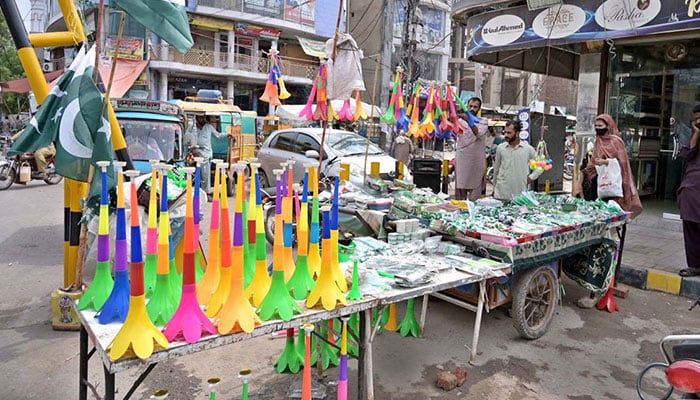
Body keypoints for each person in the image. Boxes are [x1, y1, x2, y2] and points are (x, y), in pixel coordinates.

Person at [584, 114, 643, 218]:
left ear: (608, 126)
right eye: (596, 126)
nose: (598, 128)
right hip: (598, 179)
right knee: (596, 210)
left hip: (613, 181)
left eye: (600, 126)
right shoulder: (598, 140)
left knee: (611, 212)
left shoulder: (616, 141)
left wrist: (606, 162)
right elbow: (593, 160)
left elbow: (622, 163)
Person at [678, 105, 700, 277]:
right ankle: (695, 265)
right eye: (696, 119)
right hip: (691, 188)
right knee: (691, 226)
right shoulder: (695, 136)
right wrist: (697, 133)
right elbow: (686, 154)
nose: (698, 121)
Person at [184, 115, 228, 197]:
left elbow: (218, 135)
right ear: (197, 118)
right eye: (201, 118)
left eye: (204, 118)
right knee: (190, 173)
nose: (203, 119)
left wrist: (228, 134)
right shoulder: (191, 127)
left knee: (205, 175)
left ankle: (206, 192)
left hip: (206, 154)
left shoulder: (209, 127)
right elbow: (186, 138)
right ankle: (190, 191)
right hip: (194, 153)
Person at [492, 120, 536, 200]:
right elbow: (496, 169)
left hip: (519, 195)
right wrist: (494, 188)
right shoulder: (500, 148)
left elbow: (541, 165)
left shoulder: (528, 149)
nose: (506, 135)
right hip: (501, 193)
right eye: (505, 132)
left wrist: (531, 177)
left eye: (509, 133)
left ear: (517, 133)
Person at [454, 97, 488, 201]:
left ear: (479, 108)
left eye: (475, 107)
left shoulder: (483, 121)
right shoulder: (459, 121)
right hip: (462, 161)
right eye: (470, 106)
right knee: (460, 195)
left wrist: (469, 121)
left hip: (476, 162)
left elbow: (478, 134)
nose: (472, 109)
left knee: (475, 196)